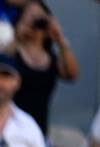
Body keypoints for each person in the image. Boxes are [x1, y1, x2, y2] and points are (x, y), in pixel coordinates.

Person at [5, 0, 77, 137]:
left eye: (39, 16)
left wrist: (60, 39)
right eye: (30, 16)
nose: (35, 21)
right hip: (11, 128)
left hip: (40, 129)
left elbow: (72, 75)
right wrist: (18, 38)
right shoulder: (13, 51)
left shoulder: (52, 58)